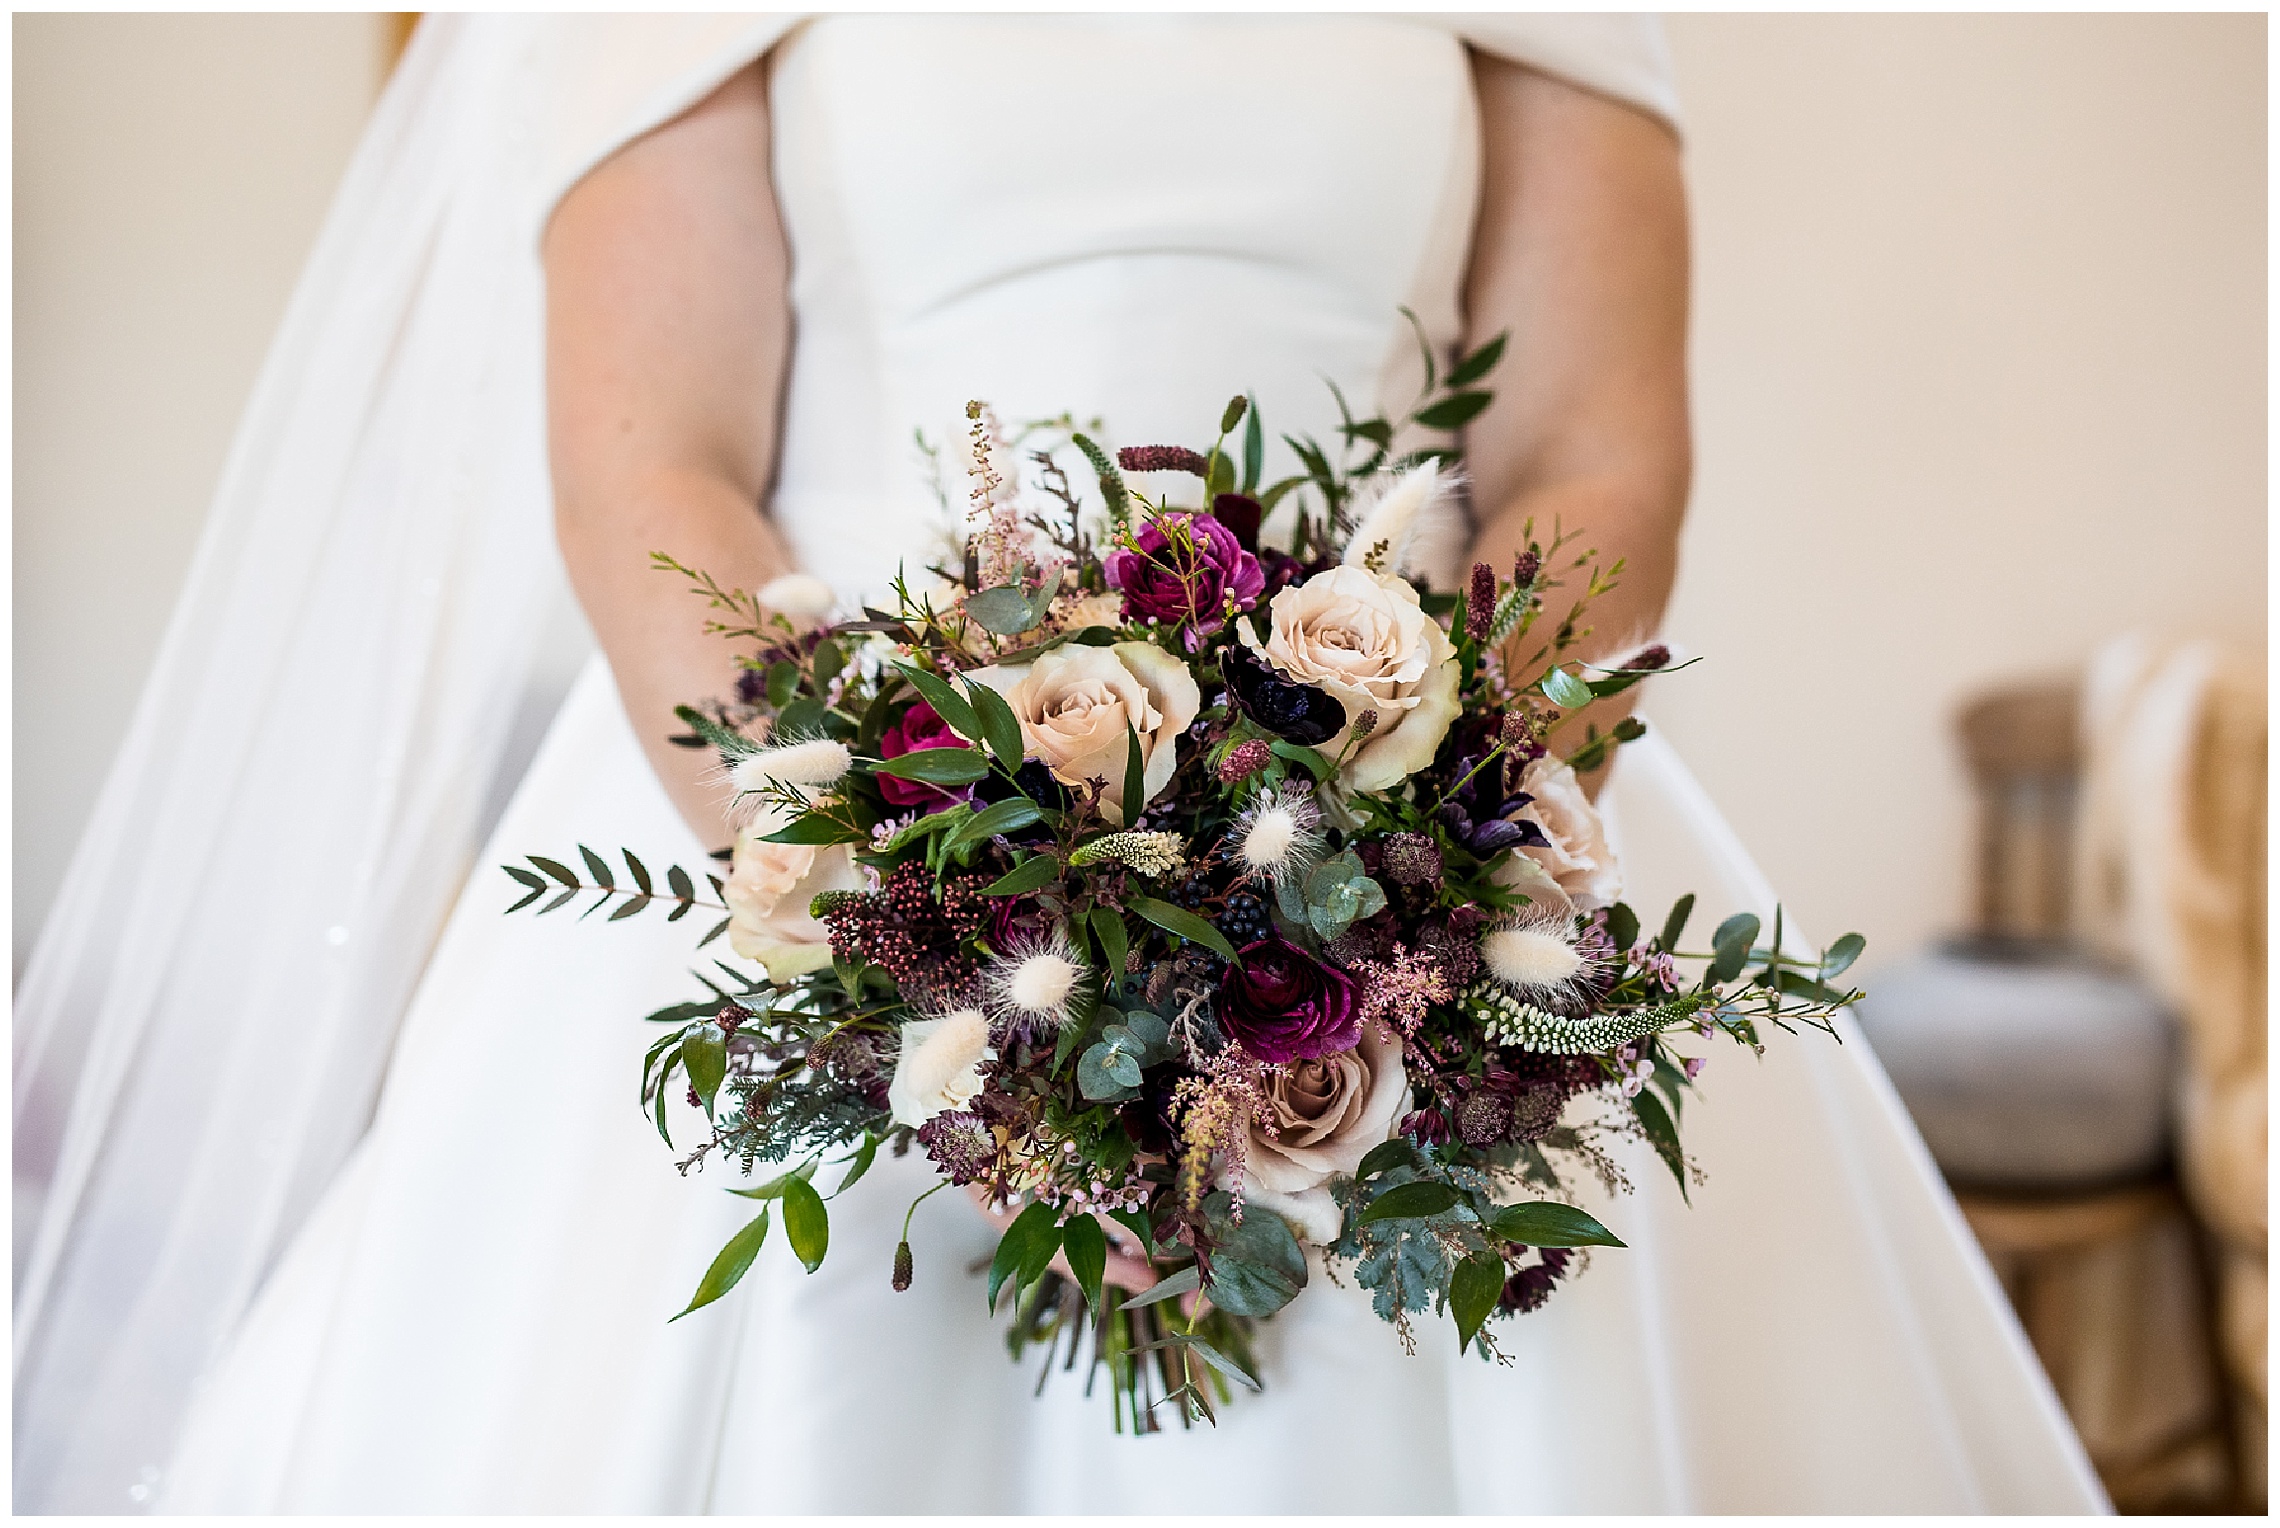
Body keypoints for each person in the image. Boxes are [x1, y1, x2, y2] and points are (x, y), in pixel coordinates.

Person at [12, 16, 2106, 1513]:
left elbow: (1589, 447)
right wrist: (916, 919)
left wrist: (1429, 861)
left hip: (1451, 847)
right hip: (837, 831)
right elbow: (659, 471)